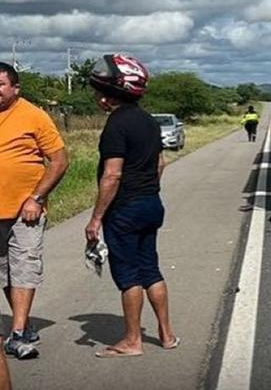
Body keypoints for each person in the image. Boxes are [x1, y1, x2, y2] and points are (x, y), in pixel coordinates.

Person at [84, 54, 178, 358]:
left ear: (107, 95)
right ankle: (167, 335)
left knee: (128, 276)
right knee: (151, 269)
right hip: (151, 203)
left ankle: (132, 341)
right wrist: (148, 190)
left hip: (125, 209)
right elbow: (160, 163)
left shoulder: (116, 125)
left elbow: (112, 174)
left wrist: (96, 218)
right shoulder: (148, 121)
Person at [0, 62, 69, 360]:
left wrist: (37, 198)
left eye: (0, 84)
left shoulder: (34, 116)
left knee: (25, 266)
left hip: (25, 210)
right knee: (5, 272)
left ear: (15, 88)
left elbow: (59, 160)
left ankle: (17, 335)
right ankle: (24, 325)